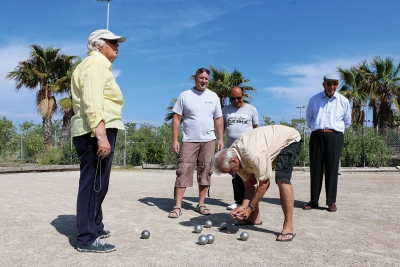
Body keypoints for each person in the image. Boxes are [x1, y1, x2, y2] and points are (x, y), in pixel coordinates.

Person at [71, 29, 126, 253]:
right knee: (93, 184)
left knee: (98, 183)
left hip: (97, 129)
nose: (117, 45)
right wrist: (101, 135)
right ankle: (86, 238)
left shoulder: (99, 65)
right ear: (97, 45)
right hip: (95, 131)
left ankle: (94, 225)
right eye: (112, 42)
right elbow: (92, 100)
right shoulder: (95, 64)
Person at [213, 125, 302, 242]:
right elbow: (250, 185)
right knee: (255, 183)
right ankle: (254, 218)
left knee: (282, 179)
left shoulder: (253, 154)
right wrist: (243, 208)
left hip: (290, 139)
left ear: (234, 161)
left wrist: (250, 208)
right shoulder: (236, 155)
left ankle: (289, 226)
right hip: (268, 145)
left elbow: (264, 184)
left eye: (230, 171)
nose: (231, 174)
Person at [168, 67, 224, 218]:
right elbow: (176, 118)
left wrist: (220, 139)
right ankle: (177, 206)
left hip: (208, 140)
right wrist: (175, 140)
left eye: (206, 78)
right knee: (183, 171)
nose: (203, 81)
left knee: (206, 172)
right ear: (195, 78)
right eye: (201, 78)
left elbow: (218, 119)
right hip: (189, 140)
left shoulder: (213, 97)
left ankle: (201, 204)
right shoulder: (185, 96)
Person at [303, 73, 351, 212]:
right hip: (317, 136)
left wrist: (336, 132)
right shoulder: (314, 100)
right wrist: (317, 129)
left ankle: (331, 201)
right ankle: (313, 201)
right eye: (329, 83)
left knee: (332, 168)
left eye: (334, 83)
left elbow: (347, 121)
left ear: (337, 85)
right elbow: (309, 119)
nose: (332, 86)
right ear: (323, 84)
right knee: (316, 168)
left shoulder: (343, 101)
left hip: (334, 136)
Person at [222, 86, 258, 210]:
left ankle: (249, 202)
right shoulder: (225, 110)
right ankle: (238, 201)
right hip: (231, 148)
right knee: (235, 175)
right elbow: (222, 126)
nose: (236, 101)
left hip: (247, 148)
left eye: (238, 98)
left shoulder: (251, 109)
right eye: (233, 99)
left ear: (243, 96)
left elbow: (255, 128)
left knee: (248, 175)